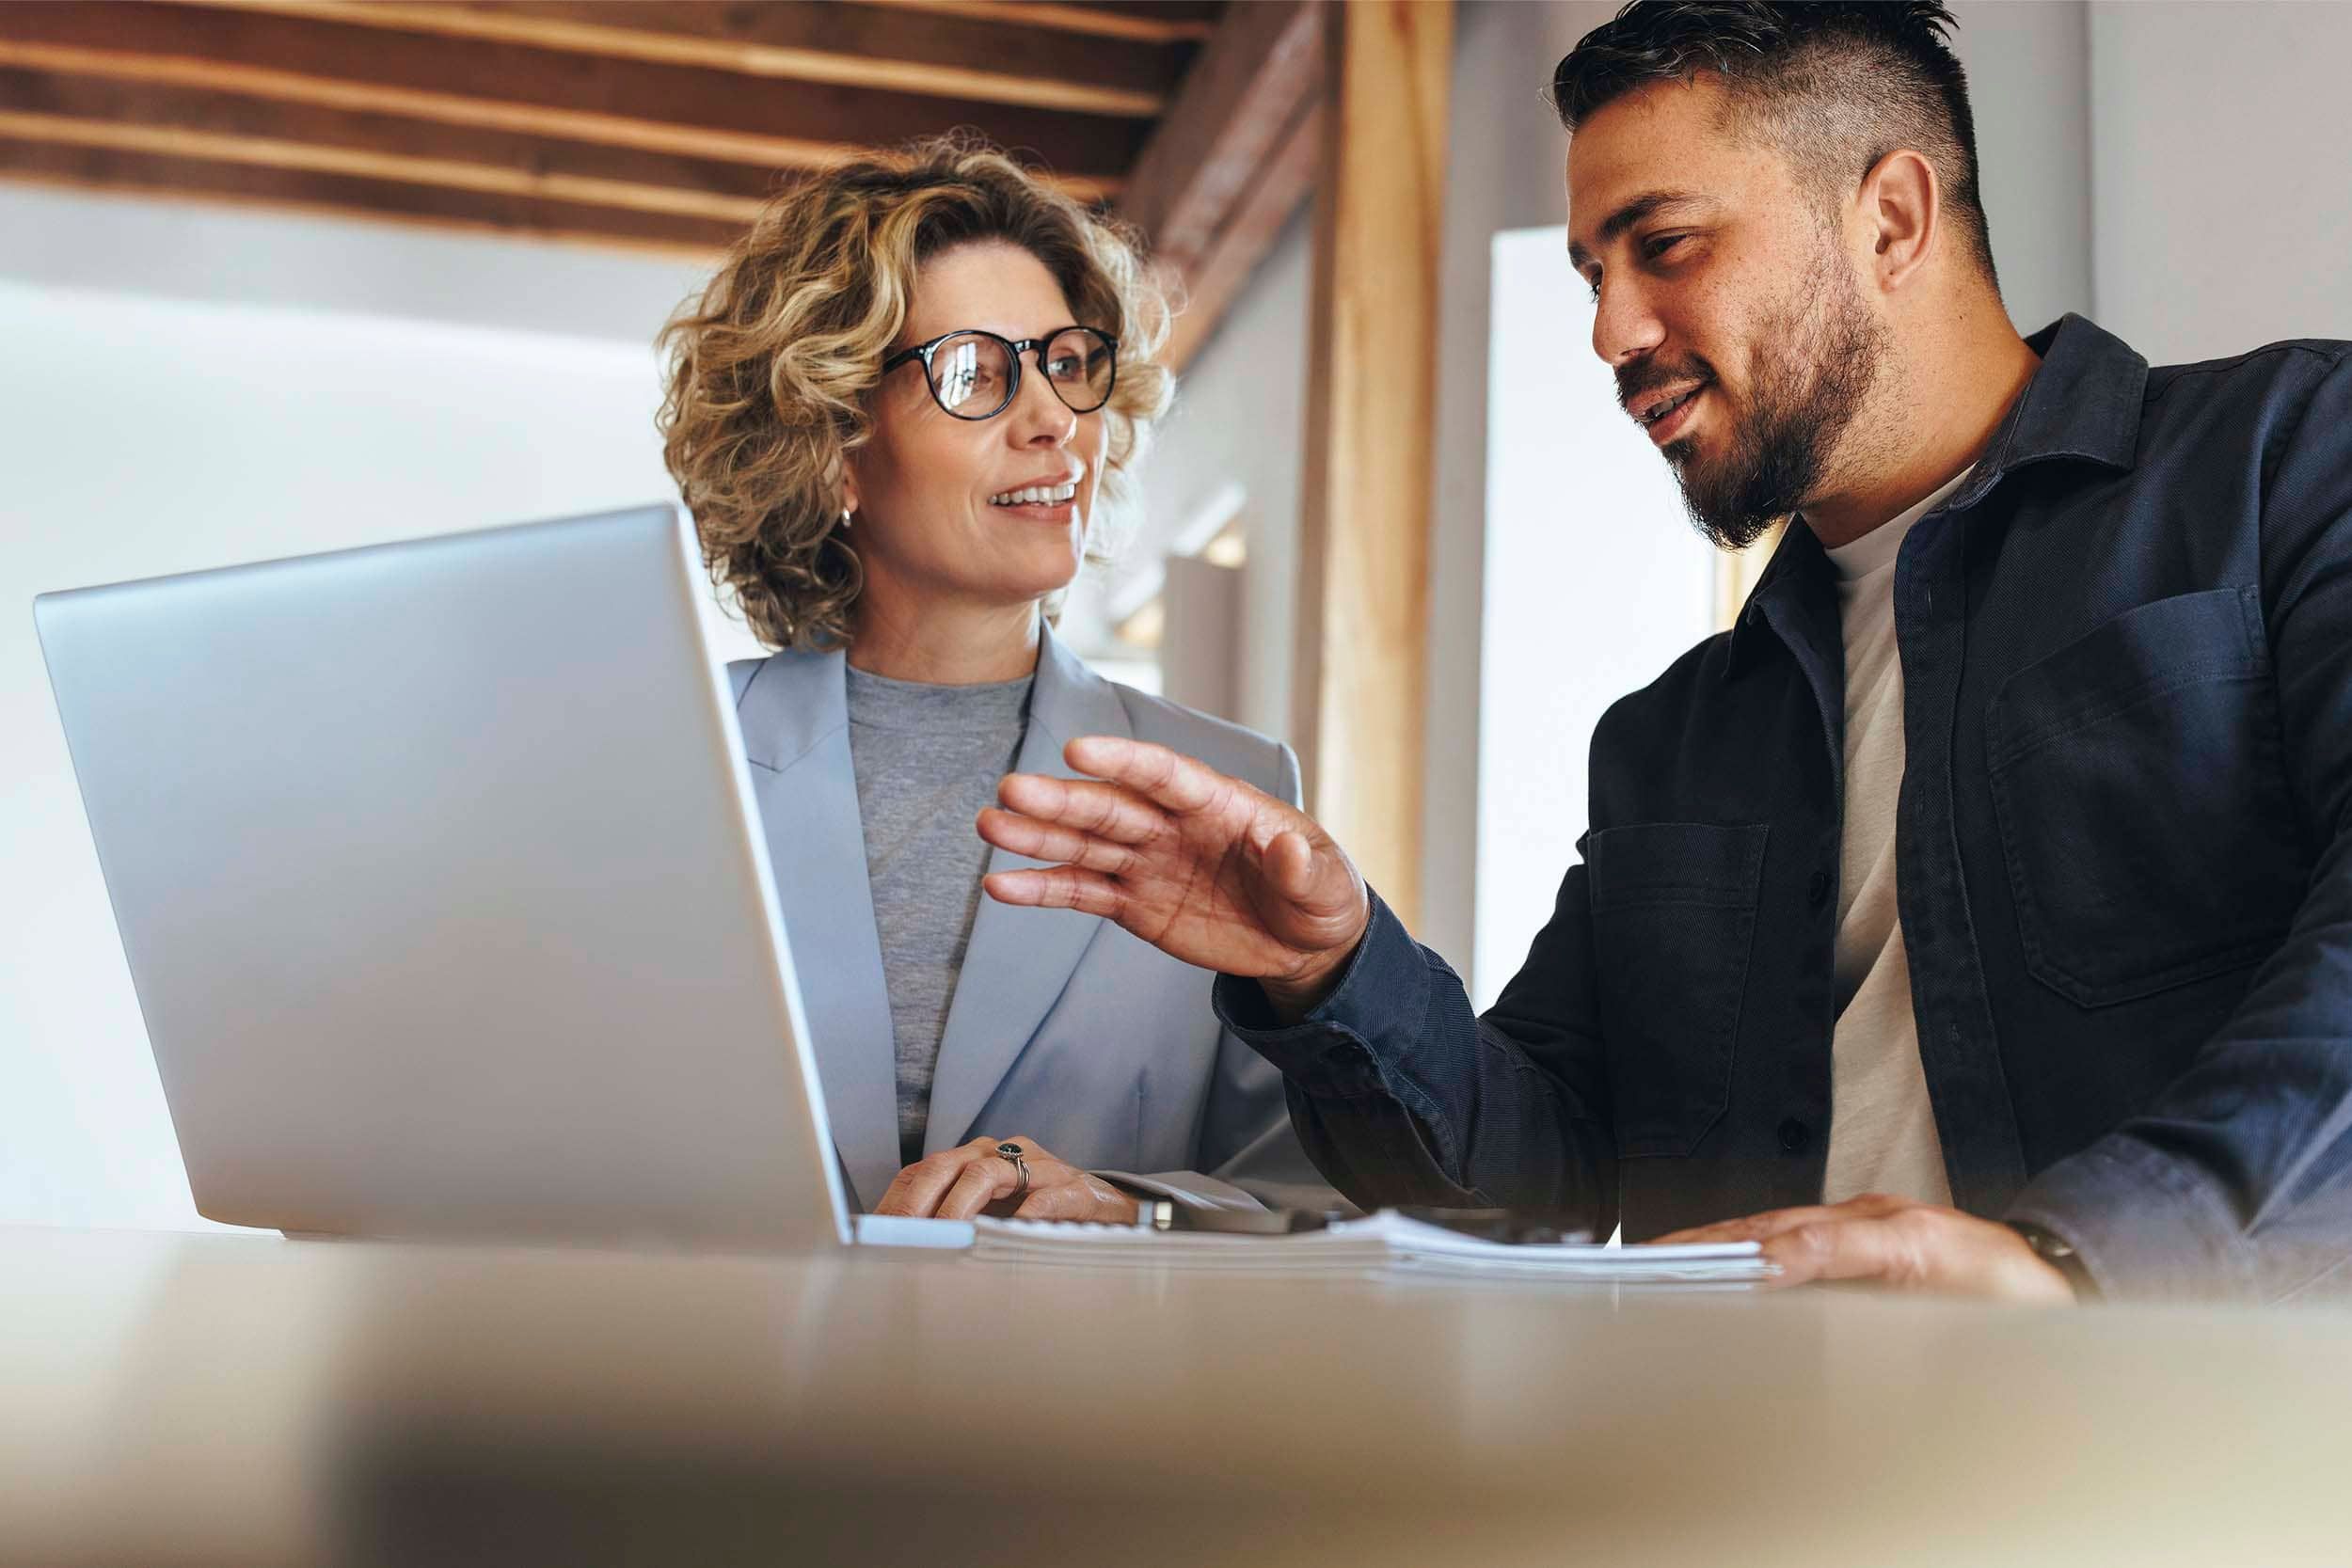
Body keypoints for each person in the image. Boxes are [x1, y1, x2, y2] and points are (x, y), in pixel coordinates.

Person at [977, 2, 2352, 1303]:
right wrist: (1330, 968)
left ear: (1891, 217)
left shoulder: (2290, 465)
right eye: (1591, 272)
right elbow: (1532, 1183)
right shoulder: (1674, 737)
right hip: (1759, 1481)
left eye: (1665, 245)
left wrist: (2078, 1257)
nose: (1609, 331)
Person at [659, 139, 1328, 1223]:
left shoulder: (1228, 783)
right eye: (975, 372)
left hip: (1077, 1389)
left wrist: (1125, 1205)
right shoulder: (669, 763)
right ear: (833, 444)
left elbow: (1318, 1188)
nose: (1053, 420)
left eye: (1066, 362)